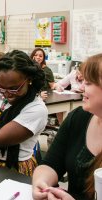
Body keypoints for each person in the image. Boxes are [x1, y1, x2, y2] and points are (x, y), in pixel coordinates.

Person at [32, 53, 102, 199]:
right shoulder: (78, 117)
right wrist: (41, 182)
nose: (81, 87)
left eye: (88, 83)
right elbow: (51, 163)